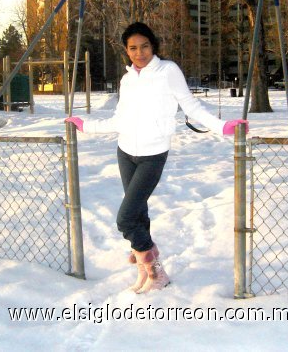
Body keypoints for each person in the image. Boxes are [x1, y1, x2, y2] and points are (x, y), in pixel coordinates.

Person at [66, 21, 248, 294]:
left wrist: (221, 127)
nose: (139, 53)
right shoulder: (127, 80)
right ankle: (150, 272)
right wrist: (86, 125)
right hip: (125, 152)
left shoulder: (168, 71)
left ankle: (149, 256)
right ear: (126, 51)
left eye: (144, 46)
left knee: (125, 219)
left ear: (153, 46)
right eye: (133, 48)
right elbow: (120, 119)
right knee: (138, 215)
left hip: (152, 154)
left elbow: (190, 106)